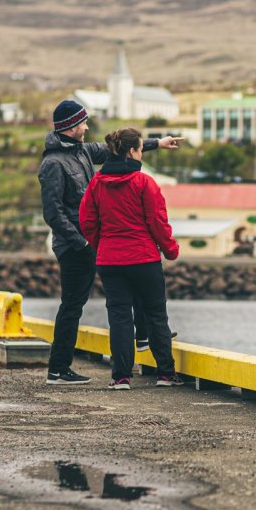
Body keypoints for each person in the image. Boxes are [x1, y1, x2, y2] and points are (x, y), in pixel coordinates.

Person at [39, 100, 181, 385]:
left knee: (124, 297)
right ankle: (58, 368)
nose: (87, 127)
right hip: (75, 246)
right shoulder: (53, 164)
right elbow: (53, 213)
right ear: (70, 126)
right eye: (83, 123)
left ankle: (139, 342)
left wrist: (157, 143)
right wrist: (83, 243)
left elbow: (116, 148)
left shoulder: (81, 151)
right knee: (72, 305)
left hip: (98, 243)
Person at [79, 127, 182, 389]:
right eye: (139, 149)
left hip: (110, 261)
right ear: (134, 151)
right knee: (156, 314)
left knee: (119, 316)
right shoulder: (144, 183)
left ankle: (121, 376)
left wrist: (102, 246)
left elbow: (87, 222)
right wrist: (170, 249)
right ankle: (165, 374)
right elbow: (157, 221)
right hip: (144, 258)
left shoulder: (96, 184)